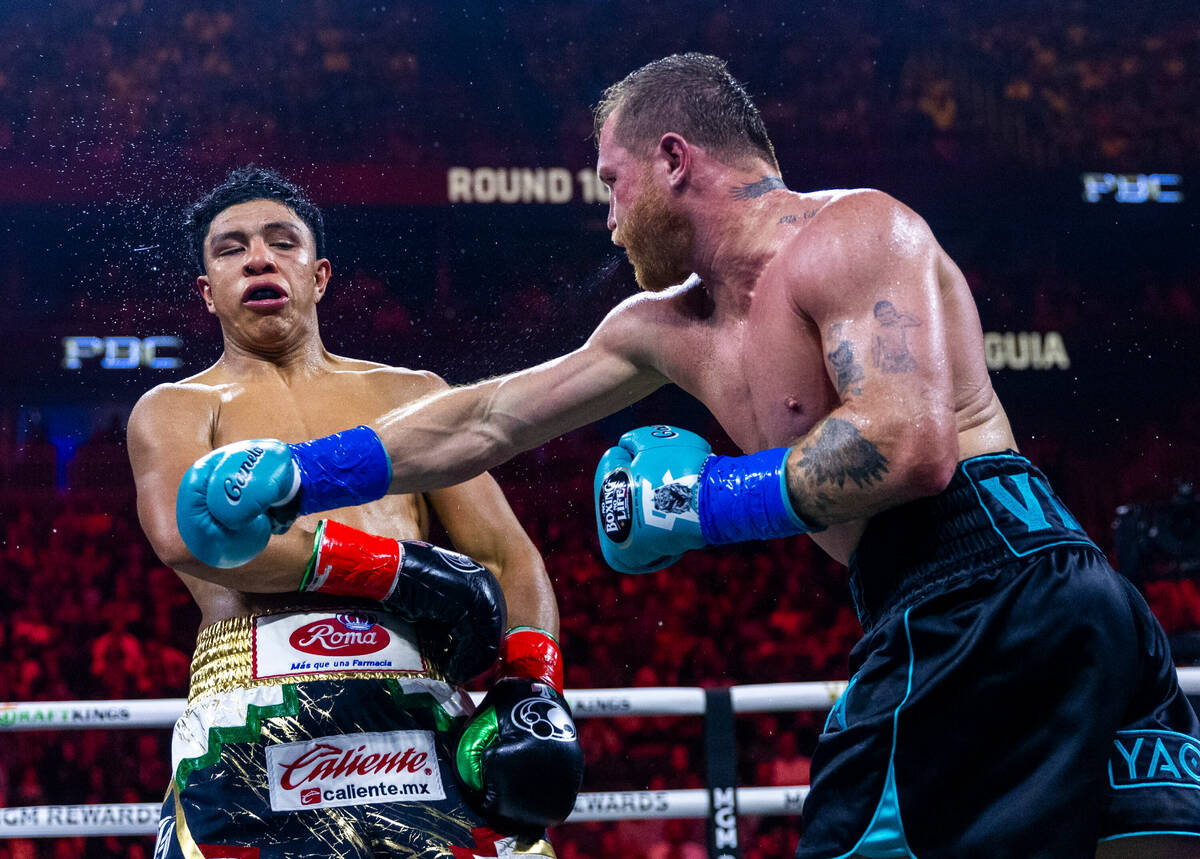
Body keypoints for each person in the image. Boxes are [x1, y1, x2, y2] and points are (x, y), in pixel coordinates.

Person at [175, 57, 1200, 858]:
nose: (609, 214)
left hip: (988, 590)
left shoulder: (854, 232)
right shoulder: (663, 326)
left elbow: (909, 444)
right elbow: (480, 421)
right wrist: (303, 474)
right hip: (962, 601)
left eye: (614, 183)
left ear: (675, 160)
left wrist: (704, 501)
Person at [127, 166, 582, 858]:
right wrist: (394, 571)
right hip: (255, 704)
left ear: (320, 275)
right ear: (208, 293)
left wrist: (532, 688)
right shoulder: (176, 407)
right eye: (231, 248)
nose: (258, 257)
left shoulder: (413, 396)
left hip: (420, 701)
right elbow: (192, 531)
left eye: (283, 241)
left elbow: (504, 554)